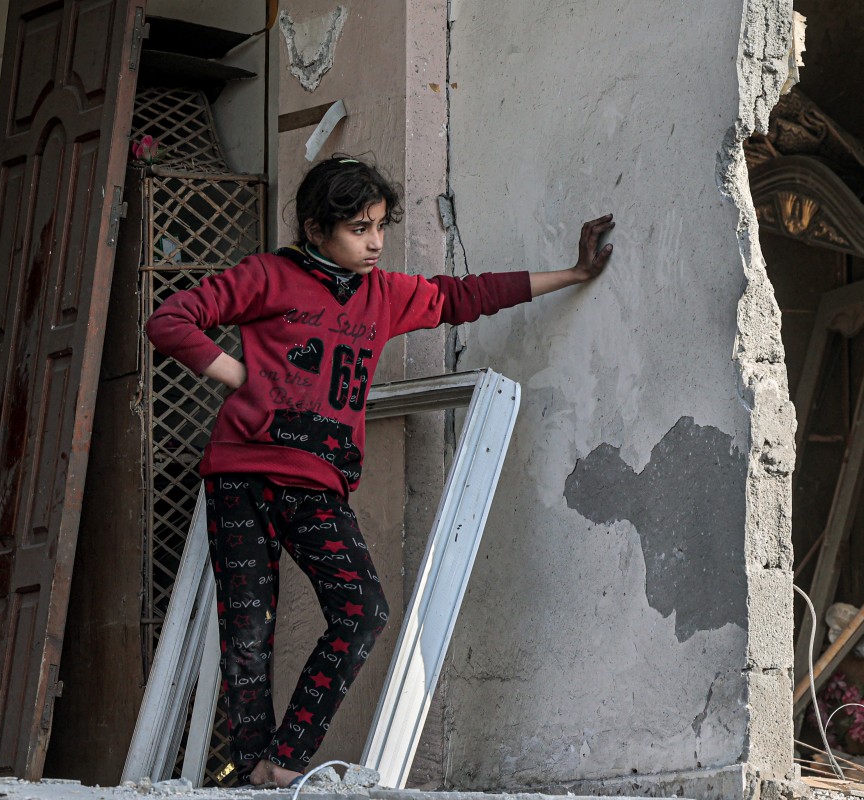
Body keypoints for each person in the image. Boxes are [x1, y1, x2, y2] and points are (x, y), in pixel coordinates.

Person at [145, 155, 614, 788]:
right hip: (241, 474)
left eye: (379, 226)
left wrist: (576, 273)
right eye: (359, 229)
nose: (375, 242)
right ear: (316, 230)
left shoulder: (384, 296)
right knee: (248, 631)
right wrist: (240, 378)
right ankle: (248, 774)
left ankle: (282, 766)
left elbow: (465, 297)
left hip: (319, 484)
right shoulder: (268, 276)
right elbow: (169, 319)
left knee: (361, 609)